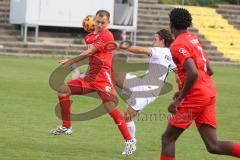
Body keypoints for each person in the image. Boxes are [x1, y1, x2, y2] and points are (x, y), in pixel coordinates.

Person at [49, 10, 136, 155]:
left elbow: (90, 52)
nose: (100, 24)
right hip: (90, 78)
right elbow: (89, 55)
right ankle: (66, 126)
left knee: (111, 109)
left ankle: (129, 140)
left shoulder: (107, 35)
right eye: (98, 22)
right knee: (63, 90)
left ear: (108, 22)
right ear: (94, 21)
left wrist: (70, 61)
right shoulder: (89, 37)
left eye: (103, 22)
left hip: (103, 79)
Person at [160, 8, 240, 160]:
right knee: (213, 145)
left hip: (195, 97)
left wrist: (180, 99)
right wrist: (186, 88)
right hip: (208, 92)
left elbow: (193, 73)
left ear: (171, 24)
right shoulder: (193, 38)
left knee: (167, 139)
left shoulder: (177, 45)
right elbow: (209, 70)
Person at [113, 29, 176, 154]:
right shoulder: (171, 54)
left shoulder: (159, 50)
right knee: (116, 77)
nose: (153, 41)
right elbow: (178, 71)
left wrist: (121, 46)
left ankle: (131, 142)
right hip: (143, 83)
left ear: (162, 41)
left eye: (155, 39)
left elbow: (140, 50)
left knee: (127, 117)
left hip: (149, 90)